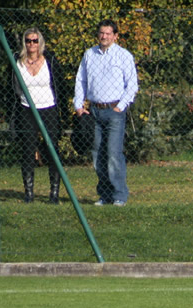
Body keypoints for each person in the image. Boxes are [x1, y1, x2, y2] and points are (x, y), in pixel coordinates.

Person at [73, 19, 138, 207]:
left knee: (113, 153)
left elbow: (132, 85)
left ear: (115, 36)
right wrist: (79, 105)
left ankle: (119, 195)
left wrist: (121, 106)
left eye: (108, 33)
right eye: (102, 33)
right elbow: (81, 80)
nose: (104, 36)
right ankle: (105, 195)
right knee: (97, 154)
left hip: (114, 111)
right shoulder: (89, 54)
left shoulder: (124, 56)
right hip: (93, 111)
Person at [13, 27, 66, 204]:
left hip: (48, 108)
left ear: (40, 42)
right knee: (28, 150)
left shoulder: (49, 60)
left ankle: (54, 192)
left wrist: (63, 111)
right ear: (24, 43)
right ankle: (29, 193)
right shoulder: (17, 61)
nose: (31, 44)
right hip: (26, 108)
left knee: (52, 150)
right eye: (28, 41)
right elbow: (11, 87)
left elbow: (60, 85)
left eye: (35, 41)